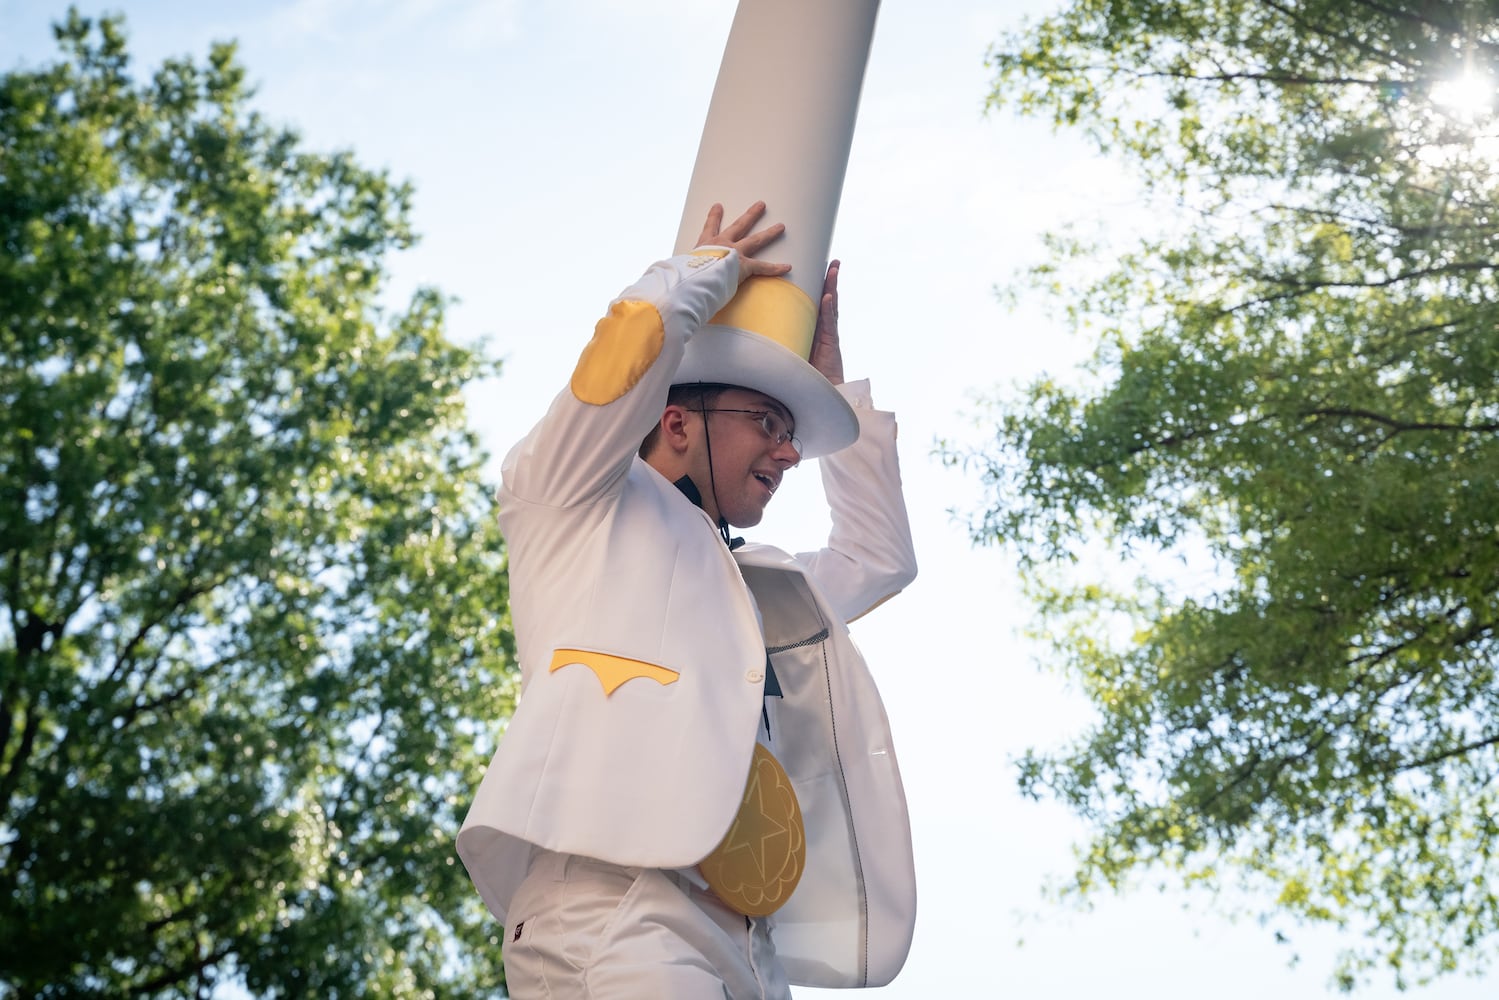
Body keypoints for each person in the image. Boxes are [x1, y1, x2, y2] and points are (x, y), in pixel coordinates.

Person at [457, 202, 917, 999]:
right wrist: (705, 271)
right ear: (674, 420)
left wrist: (832, 386)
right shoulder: (568, 501)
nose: (787, 453)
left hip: (748, 946)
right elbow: (621, 356)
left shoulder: (766, 584)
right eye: (769, 422)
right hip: (614, 902)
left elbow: (878, 557)